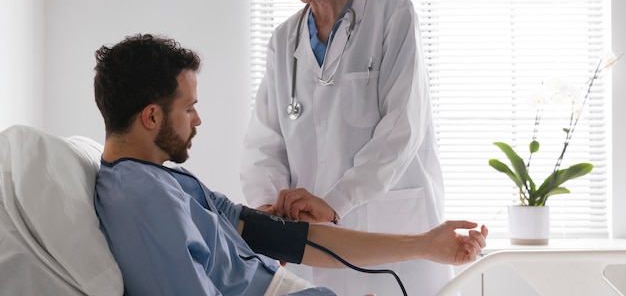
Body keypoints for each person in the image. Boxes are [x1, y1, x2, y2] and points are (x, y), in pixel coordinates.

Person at [92, 34, 488, 296]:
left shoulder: (167, 181)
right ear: (151, 117)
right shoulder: (141, 198)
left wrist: (424, 244)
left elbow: (287, 238)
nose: (198, 120)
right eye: (189, 108)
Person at [241, 0, 456, 296]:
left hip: (388, 222)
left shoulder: (391, 12)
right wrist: (271, 215)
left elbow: (402, 126)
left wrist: (336, 201)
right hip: (311, 236)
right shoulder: (283, 40)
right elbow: (264, 141)